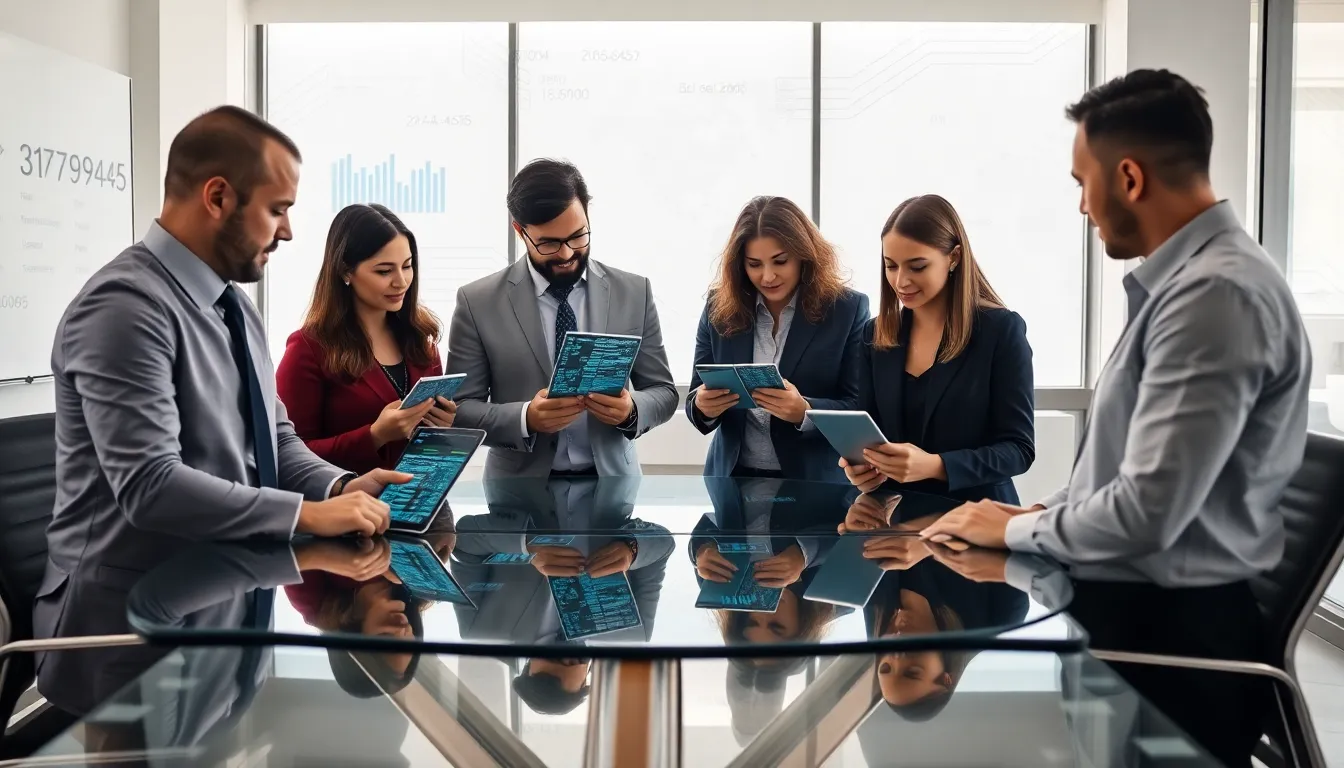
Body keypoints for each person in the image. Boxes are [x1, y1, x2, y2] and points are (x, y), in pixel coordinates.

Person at [918, 69, 1310, 766]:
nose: (1082, 207)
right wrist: (1036, 515)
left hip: (1169, 653)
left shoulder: (1215, 296)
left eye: (1081, 183)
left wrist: (1016, 525)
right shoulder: (1184, 287)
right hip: (1133, 624)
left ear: (1128, 178)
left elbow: (1146, 513)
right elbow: (1120, 475)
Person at [35, 106, 409, 718]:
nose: (287, 231)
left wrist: (343, 486)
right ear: (217, 197)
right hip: (131, 634)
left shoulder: (234, 307)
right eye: (278, 208)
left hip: (225, 601)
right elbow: (151, 488)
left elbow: (277, 441)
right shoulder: (125, 308)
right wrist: (312, 516)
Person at [446, 159, 678, 477]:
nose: (567, 254)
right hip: (517, 490)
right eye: (549, 243)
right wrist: (526, 418)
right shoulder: (478, 302)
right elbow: (458, 409)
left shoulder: (634, 292)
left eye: (578, 236)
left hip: (612, 486)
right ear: (519, 231)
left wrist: (631, 411)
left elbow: (663, 391)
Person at [840, 194, 1034, 504]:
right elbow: (870, 435)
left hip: (977, 519)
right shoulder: (875, 335)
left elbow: (1018, 449)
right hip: (897, 523)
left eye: (917, 267)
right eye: (891, 266)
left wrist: (936, 465)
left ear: (954, 258)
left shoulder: (1000, 330)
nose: (901, 281)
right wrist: (864, 471)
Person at [687, 196, 869, 481]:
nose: (768, 276)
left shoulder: (846, 310)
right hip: (732, 481)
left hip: (814, 486)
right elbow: (695, 398)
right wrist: (702, 406)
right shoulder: (718, 307)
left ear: (804, 255)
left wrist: (805, 411)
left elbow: (859, 405)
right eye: (754, 264)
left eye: (780, 261)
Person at [276, 203, 453, 475]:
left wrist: (445, 427)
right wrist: (374, 435)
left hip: (424, 501)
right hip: (349, 509)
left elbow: (432, 451)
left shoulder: (421, 339)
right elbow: (288, 456)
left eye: (407, 266)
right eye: (384, 271)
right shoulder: (308, 349)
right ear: (346, 272)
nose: (401, 281)